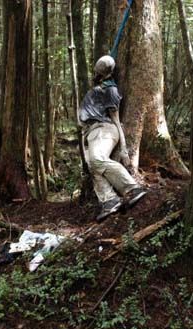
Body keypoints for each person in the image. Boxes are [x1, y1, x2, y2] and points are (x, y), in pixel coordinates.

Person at [79, 55, 147, 222]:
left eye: (98, 69)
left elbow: (116, 119)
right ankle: (109, 200)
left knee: (97, 159)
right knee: (92, 166)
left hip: (103, 128)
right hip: (89, 133)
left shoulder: (111, 89)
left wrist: (123, 148)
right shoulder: (100, 87)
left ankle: (132, 189)